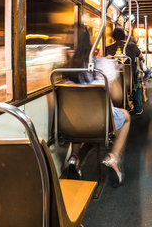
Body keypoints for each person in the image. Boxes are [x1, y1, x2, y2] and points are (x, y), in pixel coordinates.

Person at [64, 28, 131, 186]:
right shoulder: (104, 65)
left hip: (74, 123)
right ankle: (112, 158)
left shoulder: (65, 69)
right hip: (102, 121)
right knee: (126, 117)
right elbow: (117, 96)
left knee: (78, 114)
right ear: (90, 42)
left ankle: (74, 157)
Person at [106, 27, 144, 114]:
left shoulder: (109, 48)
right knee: (137, 82)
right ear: (124, 36)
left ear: (113, 37)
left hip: (114, 81)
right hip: (130, 81)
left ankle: (118, 107)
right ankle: (138, 108)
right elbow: (141, 56)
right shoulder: (132, 46)